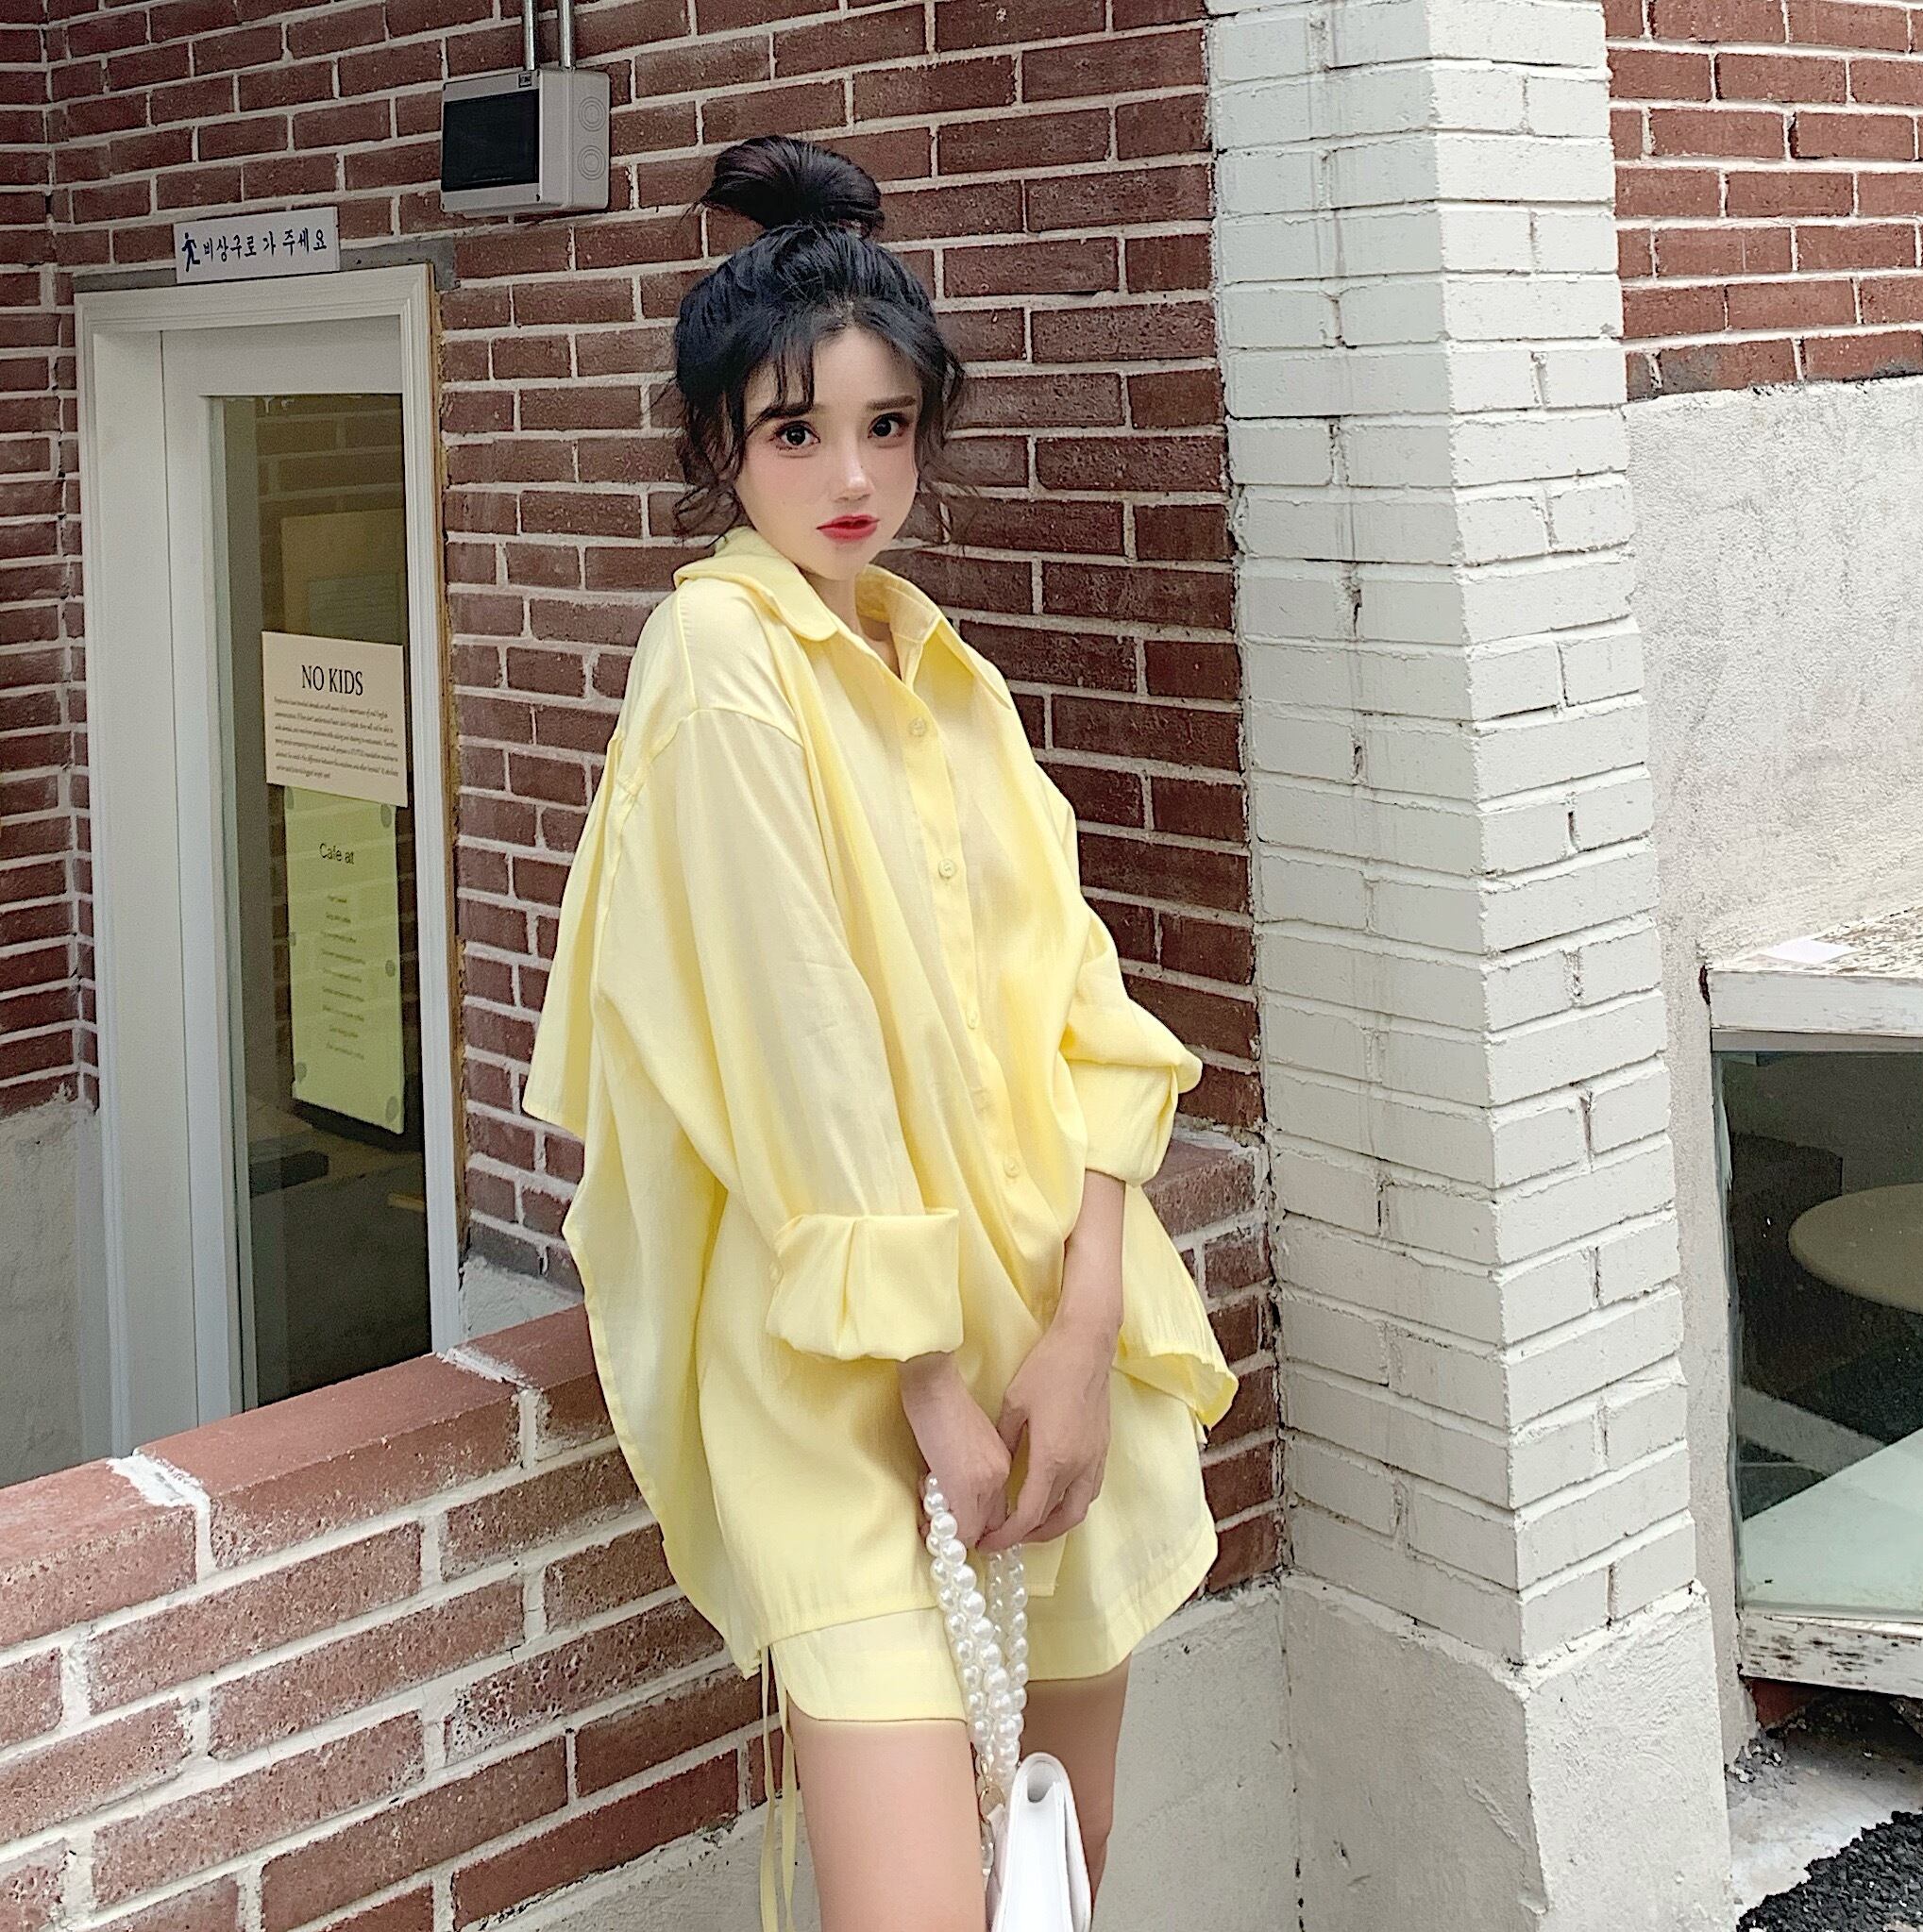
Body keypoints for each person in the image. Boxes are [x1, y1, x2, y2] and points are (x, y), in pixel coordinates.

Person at [521, 131, 1239, 1932]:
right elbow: (799, 1056)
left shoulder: (944, 671)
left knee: (1056, 1874)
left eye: (888, 427)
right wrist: (928, 1385)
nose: (852, 477)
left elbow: (1083, 1000)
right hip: (853, 1391)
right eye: (796, 432)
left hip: (1046, 1344)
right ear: (719, 447)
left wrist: (1083, 1326)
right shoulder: (719, 662)